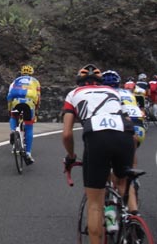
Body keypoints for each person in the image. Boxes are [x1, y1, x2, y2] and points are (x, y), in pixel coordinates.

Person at [62, 64, 135, 244]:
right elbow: (129, 125)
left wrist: (71, 156)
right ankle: (134, 221)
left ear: (79, 81)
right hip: (124, 133)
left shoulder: (73, 94)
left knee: (95, 203)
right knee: (123, 182)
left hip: (96, 135)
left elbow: (67, 133)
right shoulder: (114, 92)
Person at [102, 70, 146, 214]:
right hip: (138, 128)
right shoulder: (128, 93)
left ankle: (115, 200)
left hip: (120, 127)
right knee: (130, 157)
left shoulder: (105, 95)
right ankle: (132, 177)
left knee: (114, 169)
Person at [7, 64, 40, 165]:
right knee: (29, 127)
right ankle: (28, 153)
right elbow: (38, 97)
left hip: (15, 101)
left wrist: (9, 109)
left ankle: (13, 131)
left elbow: (9, 95)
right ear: (31, 73)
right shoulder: (35, 81)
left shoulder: (15, 81)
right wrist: (37, 109)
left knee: (13, 116)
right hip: (29, 103)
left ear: (21, 73)